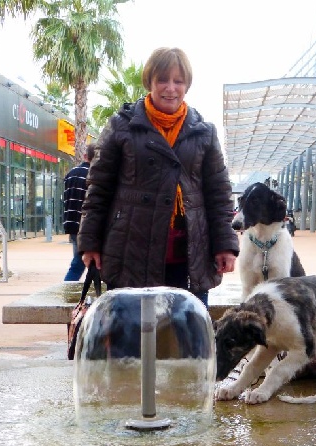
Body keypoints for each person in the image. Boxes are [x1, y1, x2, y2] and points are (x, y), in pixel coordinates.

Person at [78, 47, 239, 307]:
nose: (170, 88)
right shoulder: (122, 125)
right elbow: (98, 188)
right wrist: (90, 243)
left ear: (187, 84)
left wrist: (225, 245)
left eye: (178, 81)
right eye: (162, 80)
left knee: (187, 336)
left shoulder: (203, 132)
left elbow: (219, 194)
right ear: (149, 82)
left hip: (189, 253)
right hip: (130, 250)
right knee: (130, 337)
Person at [62, 144, 95, 281]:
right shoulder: (93, 174)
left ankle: (68, 287)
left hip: (72, 223)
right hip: (85, 225)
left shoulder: (70, 174)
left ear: (85, 155)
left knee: (80, 261)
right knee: (80, 262)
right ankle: (67, 288)